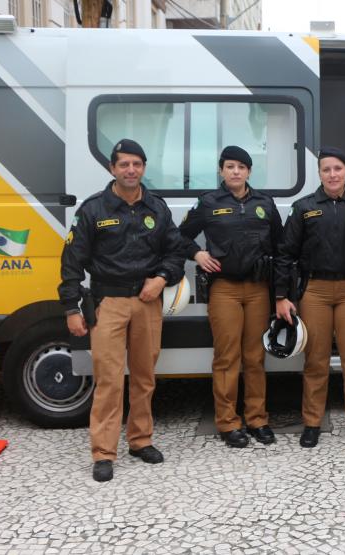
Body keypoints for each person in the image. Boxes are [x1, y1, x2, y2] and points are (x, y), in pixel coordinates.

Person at [59, 139, 185, 482]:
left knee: (144, 378)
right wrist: (71, 307)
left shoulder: (156, 208)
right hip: (108, 303)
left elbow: (175, 252)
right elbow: (71, 262)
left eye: (137, 164)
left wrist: (162, 278)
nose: (131, 170)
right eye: (124, 164)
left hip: (147, 302)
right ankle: (103, 452)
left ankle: (141, 440)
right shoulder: (93, 209)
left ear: (143, 168)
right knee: (109, 380)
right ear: (112, 169)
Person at [275, 147, 345, 449]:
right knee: (315, 360)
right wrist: (281, 295)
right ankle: (312, 423)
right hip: (315, 292)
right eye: (326, 169)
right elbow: (285, 254)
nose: (332, 174)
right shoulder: (303, 207)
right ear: (320, 174)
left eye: (338, 169)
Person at [179, 146, 283, 448]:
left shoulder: (264, 203)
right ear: (221, 170)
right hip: (224, 288)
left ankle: (257, 419)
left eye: (241, 166)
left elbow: (281, 247)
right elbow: (178, 235)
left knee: (255, 357)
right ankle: (227, 422)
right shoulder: (208, 202)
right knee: (226, 357)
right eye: (229, 166)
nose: (235, 171)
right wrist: (196, 253)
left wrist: (281, 292)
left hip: (258, 288)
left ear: (249, 171)